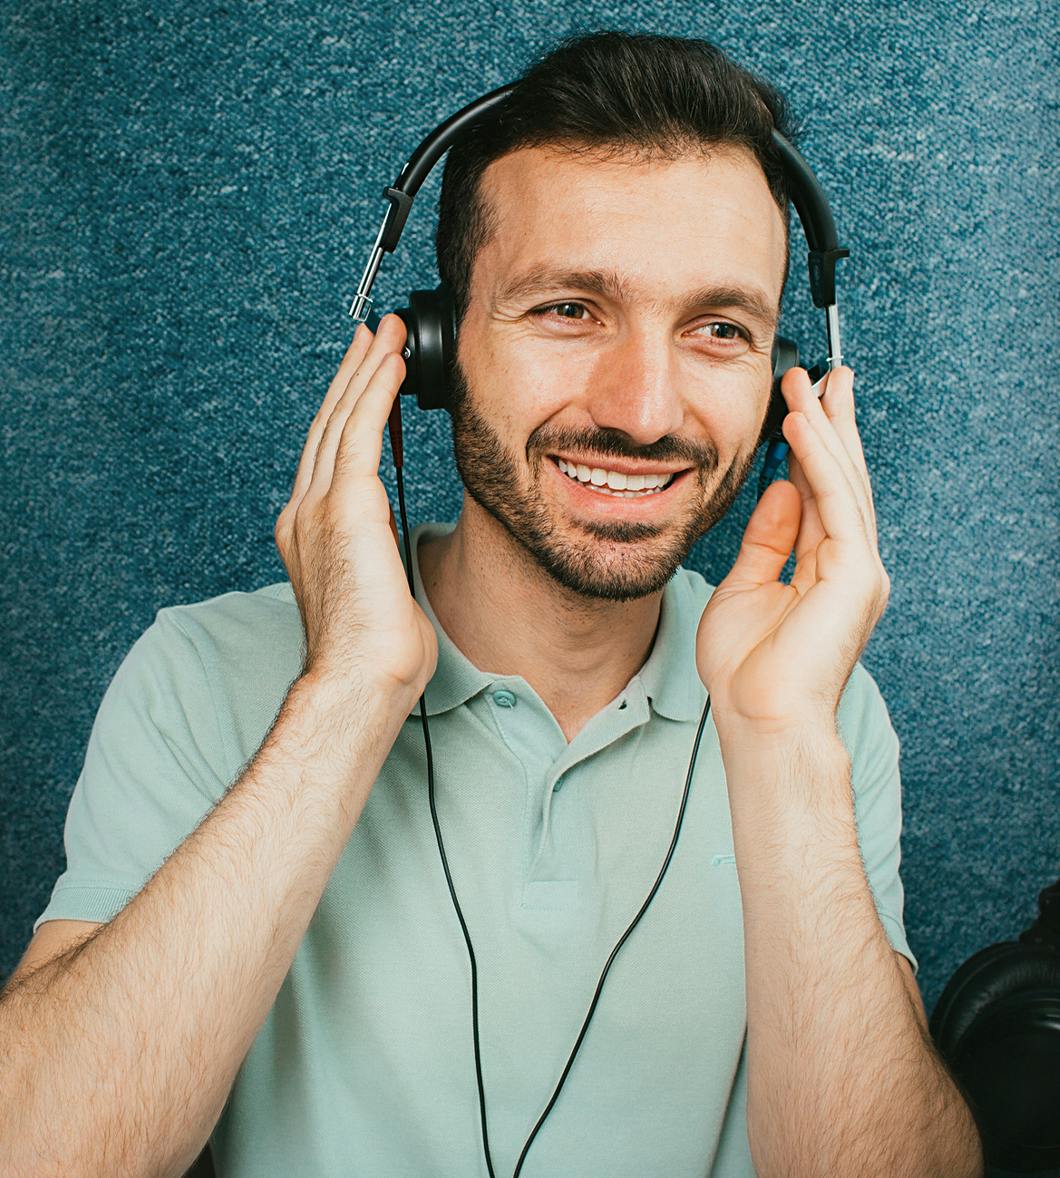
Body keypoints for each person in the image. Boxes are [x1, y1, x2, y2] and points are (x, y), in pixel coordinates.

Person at [1, 31, 983, 1178]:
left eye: (718, 328)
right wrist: (349, 688)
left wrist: (780, 742)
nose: (644, 408)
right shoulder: (202, 671)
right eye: (569, 307)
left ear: (786, 393)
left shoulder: (814, 708)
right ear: (427, 350)